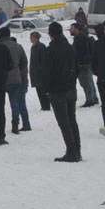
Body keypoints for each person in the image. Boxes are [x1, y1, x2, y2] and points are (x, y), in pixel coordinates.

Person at [44, 22, 82, 162]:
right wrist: (71, 81)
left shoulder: (51, 50)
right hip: (71, 88)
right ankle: (77, 150)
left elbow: (47, 72)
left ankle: (71, 152)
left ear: (51, 34)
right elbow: (77, 67)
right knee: (72, 120)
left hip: (57, 91)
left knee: (64, 123)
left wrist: (47, 88)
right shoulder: (70, 48)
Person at [0, 26, 31, 134]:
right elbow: (24, 63)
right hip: (16, 78)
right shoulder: (18, 46)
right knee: (15, 102)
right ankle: (15, 124)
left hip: (0, 79)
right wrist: (23, 77)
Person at [70, 22, 99, 107]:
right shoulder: (82, 37)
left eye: (72, 28)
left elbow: (79, 53)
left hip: (83, 64)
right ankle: (94, 98)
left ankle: (90, 100)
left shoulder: (80, 38)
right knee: (89, 82)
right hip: (86, 64)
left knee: (86, 83)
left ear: (76, 29)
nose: (70, 30)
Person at [29, 31, 50, 111]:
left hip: (40, 73)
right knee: (38, 90)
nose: (31, 39)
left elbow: (43, 61)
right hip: (35, 73)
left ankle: (46, 105)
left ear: (36, 38)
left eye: (32, 37)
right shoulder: (33, 47)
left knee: (43, 90)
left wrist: (40, 70)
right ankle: (43, 105)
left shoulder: (41, 47)